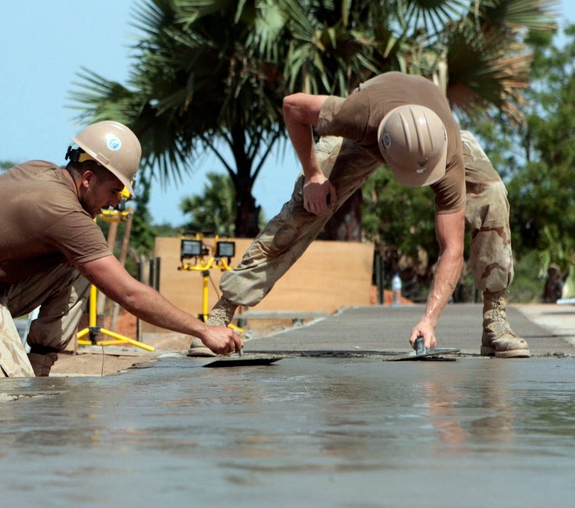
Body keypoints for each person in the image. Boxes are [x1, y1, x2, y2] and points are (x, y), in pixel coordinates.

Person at [191, 71, 530, 358]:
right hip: (372, 131)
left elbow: (451, 248)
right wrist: (313, 176)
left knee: (492, 193)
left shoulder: (446, 153)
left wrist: (429, 321)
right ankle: (222, 313)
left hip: (429, 139)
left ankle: (495, 320)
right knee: (305, 208)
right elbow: (293, 106)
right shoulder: (357, 115)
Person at [0, 120, 242, 379]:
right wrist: (202, 330)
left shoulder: (43, 171)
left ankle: (38, 367)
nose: (115, 202)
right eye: (114, 191)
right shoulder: (62, 212)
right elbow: (129, 293)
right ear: (88, 179)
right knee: (3, 397)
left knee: (83, 264)